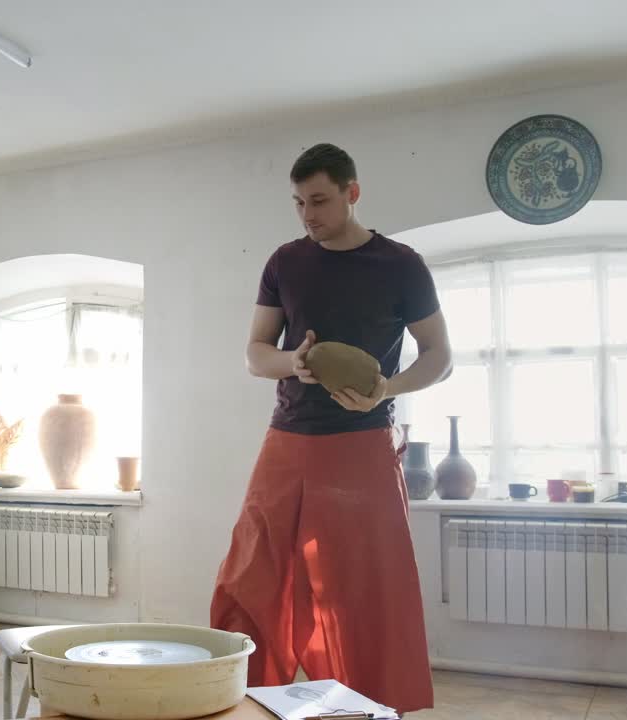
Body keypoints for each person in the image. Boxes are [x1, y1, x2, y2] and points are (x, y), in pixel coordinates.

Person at [210, 143, 452, 715]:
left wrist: (388, 388)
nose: (307, 214)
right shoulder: (284, 262)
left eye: (318, 200)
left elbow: (440, 355)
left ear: (352, 192)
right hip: (288, 439)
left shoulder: (401, 264)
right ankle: (244, 697)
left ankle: (363, 706)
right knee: (252, 575)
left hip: (363, 443)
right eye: (297, 202)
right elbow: (255, 353)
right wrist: (294, 362)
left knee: (363, 588)